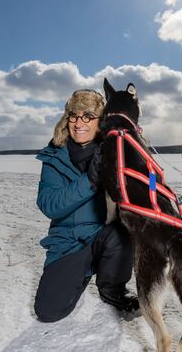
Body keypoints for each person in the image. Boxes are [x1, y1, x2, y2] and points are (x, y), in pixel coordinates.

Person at [34, 89, 139, 322]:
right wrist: (89, 181)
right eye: (74, 115)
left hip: (104, 234)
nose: (79, 123)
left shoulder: (110, 152)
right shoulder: (54, 156)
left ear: (99, 122)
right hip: (69, 242)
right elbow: (50, 205)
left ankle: (113, 289)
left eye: (88, 116)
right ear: (67, 118)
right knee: (49, 312)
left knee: (122, 234)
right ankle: (82, 269)